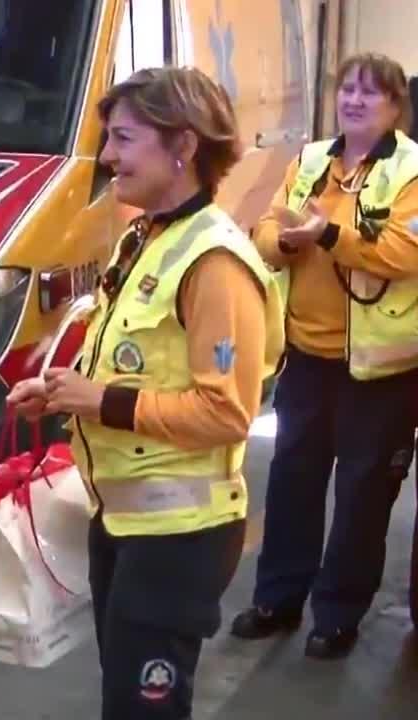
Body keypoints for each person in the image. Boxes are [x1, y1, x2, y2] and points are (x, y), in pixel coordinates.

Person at [8, 67, 284, 719]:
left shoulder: (216, 263)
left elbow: (228, 412)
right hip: (125, 522)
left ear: (182, 146)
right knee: (125, 699)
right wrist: (62, 391)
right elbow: (139, 366)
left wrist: (98, 402)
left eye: (124, 139)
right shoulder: (147, 237)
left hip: (179, 536)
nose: (107, 157)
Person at [228, 52, 418, 658]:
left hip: (381, 372)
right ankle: (277, 600)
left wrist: (328, 236)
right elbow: (263, 231)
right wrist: (283, 239)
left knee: (362, 496)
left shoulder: (413, 171)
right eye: (348, 90)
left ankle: (337, 615)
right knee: (291, 483)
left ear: (395, 107)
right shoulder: (311, 160)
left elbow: (402, 255)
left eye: (371, 93)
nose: (355, 100)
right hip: (307, 358)